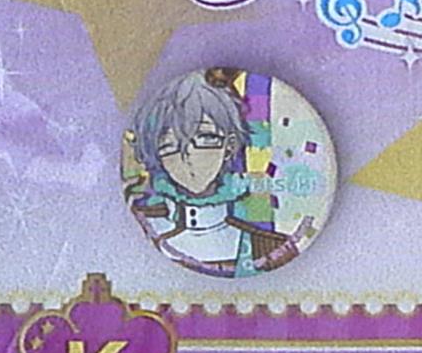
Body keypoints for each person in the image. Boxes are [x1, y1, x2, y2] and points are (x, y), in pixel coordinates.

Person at [126, 69, 297, 277]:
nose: (189, 155)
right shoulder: (138, 227)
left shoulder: (272, 249)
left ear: (229, 146)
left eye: (206, 138)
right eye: (169, 144)